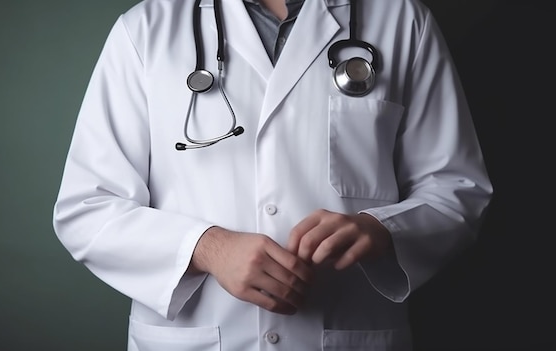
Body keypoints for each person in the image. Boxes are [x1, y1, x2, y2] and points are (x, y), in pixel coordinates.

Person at [52, 0, 493, 350]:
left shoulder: (401, 20)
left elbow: (456, 189)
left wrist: (379, 230)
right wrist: (208, 249)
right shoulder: (146, 29)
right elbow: (88, 207)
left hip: (347, 329)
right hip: (201, 334)